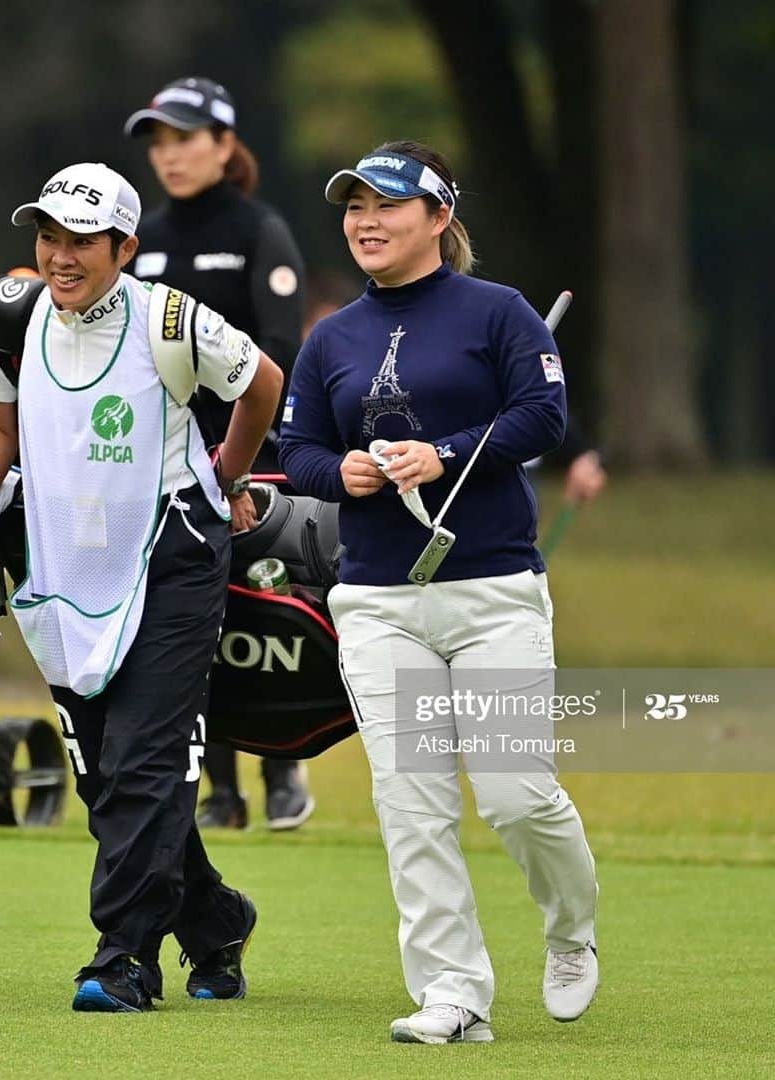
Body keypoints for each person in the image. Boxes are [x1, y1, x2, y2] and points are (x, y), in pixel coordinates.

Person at [0, 162, 283, 1013]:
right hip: (67, 564)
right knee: (104, 772)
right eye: (49, 236)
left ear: (125, 246)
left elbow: (261, 384)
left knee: (146, 759)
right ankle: (217, 921)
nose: (60, 256)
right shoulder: (13, 316)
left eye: (82, 240)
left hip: (173, 551)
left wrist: (228, 473)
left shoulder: (172, 318)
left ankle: (123, 958)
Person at [279, 141, 599, 1044]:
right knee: (410, 801)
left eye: (384, 205)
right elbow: (296, 452)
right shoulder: (331, 337)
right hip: (378, 599)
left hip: (491, 586)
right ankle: (455, 995)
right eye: (352, 208)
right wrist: (342, 470)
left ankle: (571, 929)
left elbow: (544, 415)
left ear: (438, 218)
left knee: (512, 793)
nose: (364, 222)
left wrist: (445, 453)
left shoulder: (498, 315)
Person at [124, 75, 315, 832]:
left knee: (262, 607)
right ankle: (219, 789)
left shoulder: (258, 229)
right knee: (185, 620)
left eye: (185, 138)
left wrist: (236, 458)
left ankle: (281, 769)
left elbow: (280, 348)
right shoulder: (143, 239)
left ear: (225, 145)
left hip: (250, 451)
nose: (169, 156)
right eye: (159, 142)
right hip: (161, 460)